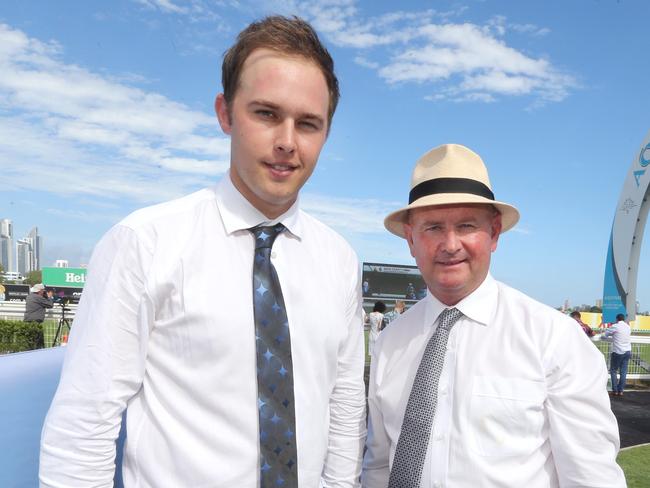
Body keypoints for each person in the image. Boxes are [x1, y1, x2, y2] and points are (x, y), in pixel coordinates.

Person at [40, 16, 366, 487]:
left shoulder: (340, 260)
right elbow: (84, 425)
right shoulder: (145, 243)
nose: (287, 143)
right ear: (225, 114)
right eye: (267, 114)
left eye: (308, 123)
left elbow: (344, 405)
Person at [362, 144, 625, 487]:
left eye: (467, 225)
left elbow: (592, 478)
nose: (451, 244)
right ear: (411, 239)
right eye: (433, 228)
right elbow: (379, 467)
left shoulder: (554, 339)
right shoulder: (390, 343)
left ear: (494, 233)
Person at [602, 313, 632, 397]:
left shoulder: (615, 326)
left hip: (618, 351)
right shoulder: (628, 327)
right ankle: (621, 391)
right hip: (627, 351)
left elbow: (604, 335)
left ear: (617, 319)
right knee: (623, 371)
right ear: (624, 319)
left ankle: (615, 390)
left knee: (613, 370)